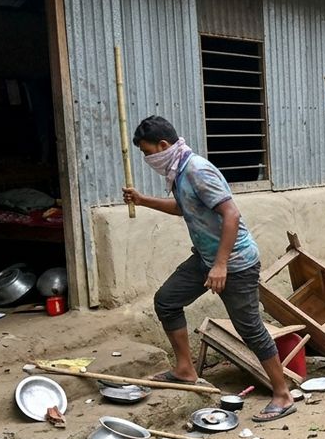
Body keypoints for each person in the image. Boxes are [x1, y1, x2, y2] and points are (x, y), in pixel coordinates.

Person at [122, 116, 294, 422]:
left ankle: (282, 394)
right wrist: (143, 200)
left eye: (148, 152)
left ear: (163, 146)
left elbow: (231, 214)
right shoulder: (178, 171)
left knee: (250, 328)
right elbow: (185, 207)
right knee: (167, 300)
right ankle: (185, 370)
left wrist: (221, 265)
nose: (147, 159)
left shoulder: (197, 169)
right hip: (205, 258)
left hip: (236, 262)